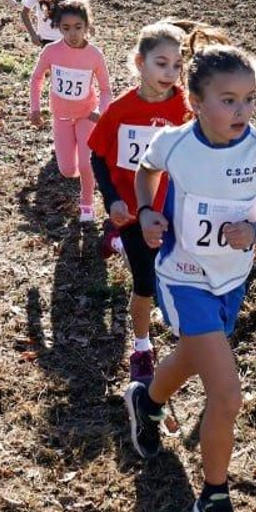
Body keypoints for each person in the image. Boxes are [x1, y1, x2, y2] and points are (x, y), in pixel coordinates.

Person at [122, 42, 256, 512]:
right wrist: (146, 212)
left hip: (232, 279)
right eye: (228, 100)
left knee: (194, 355)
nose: (241, 111)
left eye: (248, 99)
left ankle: (148, 400)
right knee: (226, 394)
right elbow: (146, 172)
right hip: (183, 275)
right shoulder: (175, 143)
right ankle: (215, 497)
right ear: (195, 102)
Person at [87, 20, 200, 383]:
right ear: (140, 63)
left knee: (181, 276)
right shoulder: (120, 110)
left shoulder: (186, 107)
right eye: (161, 63)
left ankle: (190, 336)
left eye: (178, 64)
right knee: (145, 282)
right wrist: (113, 200)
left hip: (173, 211)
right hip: (134, 212)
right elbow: (97, 157)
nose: (171, 72)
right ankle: (141, 347)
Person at [28, 0, 112, 224]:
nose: (72, 34)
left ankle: (86, 204)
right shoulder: (51, 52)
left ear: (87, 26)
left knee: (86, 164)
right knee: (67, 170)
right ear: (58, 27)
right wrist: (35, 108)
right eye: (66, 28)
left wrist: (101, 113)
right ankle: (84, 176)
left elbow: (105, 89)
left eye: (78, 27)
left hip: (87, 115)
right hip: (61, 117)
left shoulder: (95, 55)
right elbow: (36, 79)